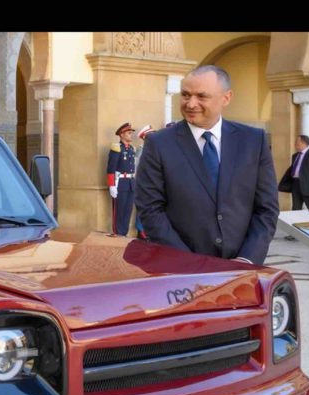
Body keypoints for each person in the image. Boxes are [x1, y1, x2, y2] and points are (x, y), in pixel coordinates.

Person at [135, 65, 278, 265]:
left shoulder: (253, 141)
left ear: (226, 98)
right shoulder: (159, 144)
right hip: (181, 270)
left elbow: (266, 208)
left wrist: (248, 258)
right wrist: (187, 261)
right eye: (185, 95)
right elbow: (150, 208)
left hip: (242, 269)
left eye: (201, 96)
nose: (191, 104)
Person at [277, 134, 309, 219]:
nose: (295, 143)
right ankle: (296, 230)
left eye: (296, 142)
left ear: (303, 143)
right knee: (296, 209)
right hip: (296, 184)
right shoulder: (295, 156)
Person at [106, 122, 136, 236]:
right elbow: (111, 168)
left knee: (128, 211)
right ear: (122, 135)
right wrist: (112, 185)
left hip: (130, 183)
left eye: (131, 133)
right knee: (119, 210)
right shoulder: (116, 148)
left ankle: (124, 233)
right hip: (120, 183)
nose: (131, 135)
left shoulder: (132, 149)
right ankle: (118, 233)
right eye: (129, 133)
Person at [133, 124, 153, 239]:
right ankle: (140, 230)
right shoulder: (141, 150)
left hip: (152, 183)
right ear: (145, 137)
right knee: (142, 206)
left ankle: (147, 229)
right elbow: (136, 167)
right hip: (143, 183)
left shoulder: (152, 150)